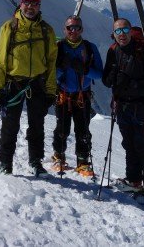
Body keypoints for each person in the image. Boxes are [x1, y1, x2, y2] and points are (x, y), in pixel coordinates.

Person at [0, 0, 58, 177]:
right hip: (14, 84)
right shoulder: (9, 27)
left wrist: (50, 91)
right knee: (10, 126)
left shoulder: (47, 31)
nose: (30, 7)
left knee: (37, 125)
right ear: (20, 4)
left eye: (34, 4)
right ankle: (5, 161)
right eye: (27, 3)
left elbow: (52, 63)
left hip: (37, 84)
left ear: (39, 7)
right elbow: (0, 60)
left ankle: (35, 161)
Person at [102, 18, 144, 198]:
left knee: (142, 145)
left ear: (130, 31)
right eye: (118, 31)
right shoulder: (113, 51)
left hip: (141, 106)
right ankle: (134, 180)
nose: (121, 34)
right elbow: (106, 80)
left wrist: (132, 85)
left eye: (125, 30)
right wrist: (115, 76)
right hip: (122, 105)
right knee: (129, 143)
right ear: (113, 34)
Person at [51, 15, 103, 176]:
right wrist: (61, 68)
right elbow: (50, 74)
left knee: (83, 130)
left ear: (82, 29)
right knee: (62, 129)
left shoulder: (90, 48)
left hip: (82, 96)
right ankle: (59, 156)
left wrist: (85, 69)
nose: (73, 31)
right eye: (70, 28)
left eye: (76, 28)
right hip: (63, 95)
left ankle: (83, 161)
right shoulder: (57, 47)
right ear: (64, 29)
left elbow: (99, 74)